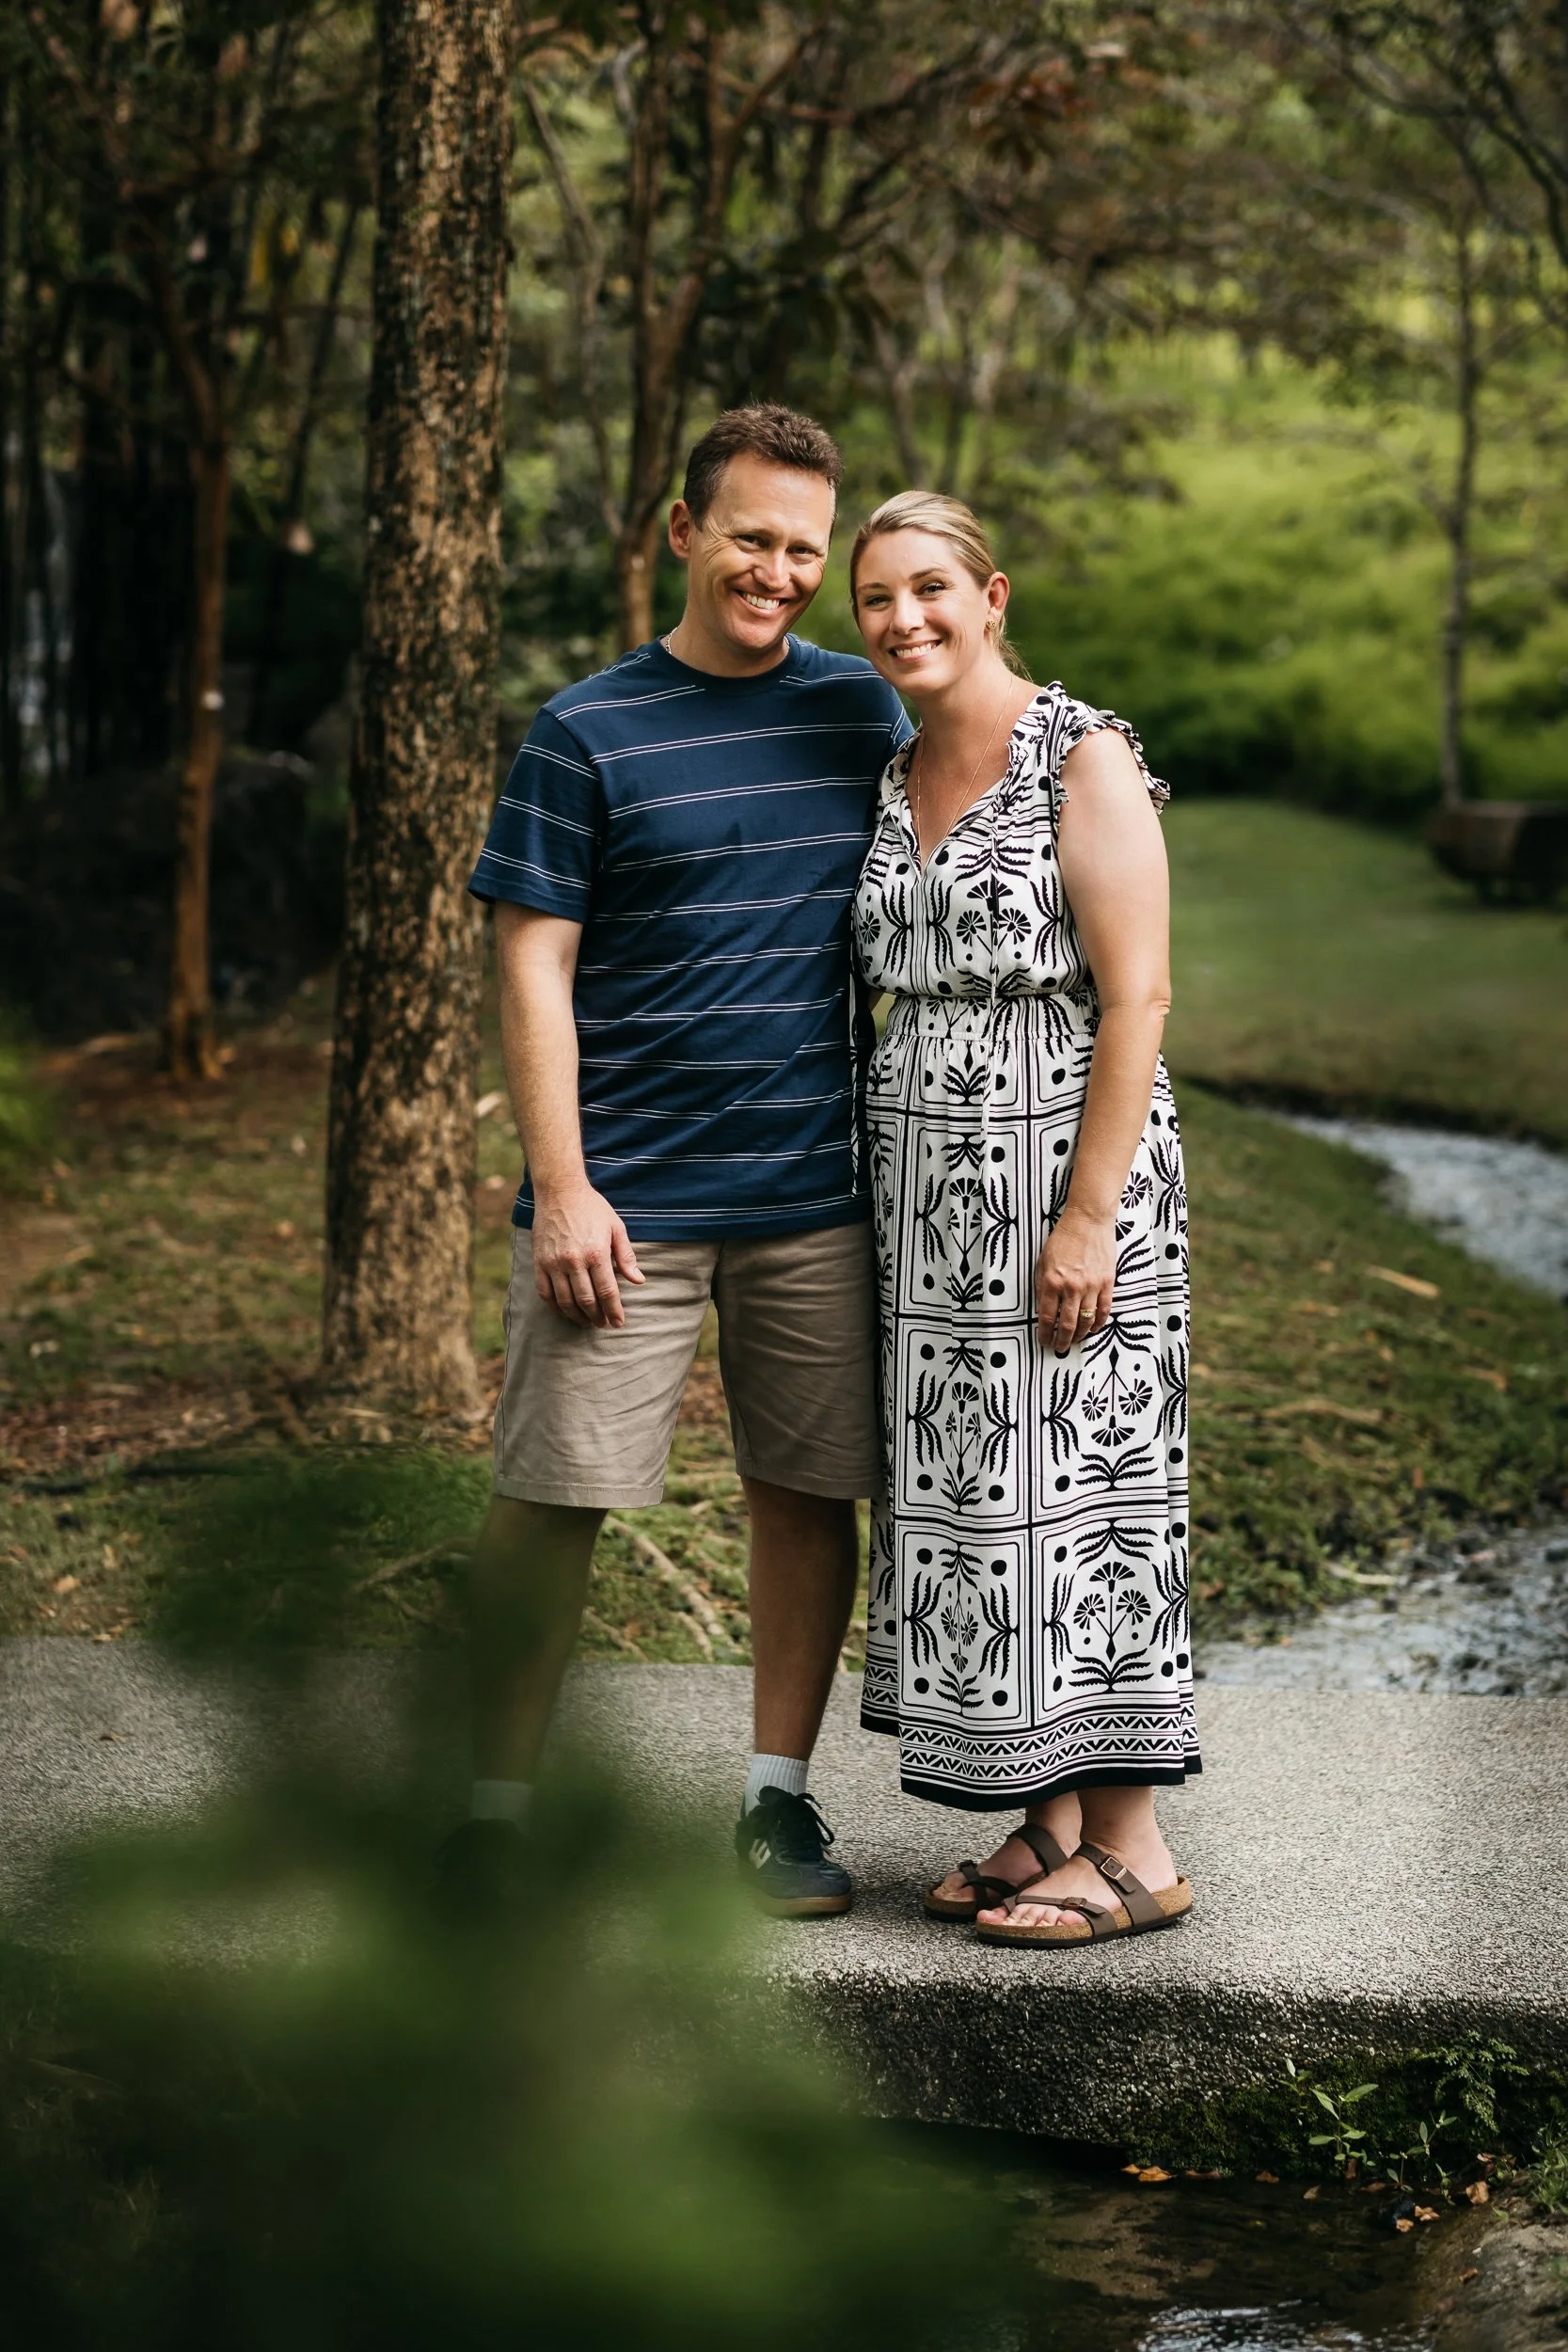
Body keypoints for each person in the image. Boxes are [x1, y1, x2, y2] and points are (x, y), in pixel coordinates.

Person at [442, 405, 910, 1917]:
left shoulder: (858, 716)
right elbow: (531, 967)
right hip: (620, 1201)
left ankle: (773, 1809)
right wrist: (562, 1184)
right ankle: (491, 1817)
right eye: (749, 537)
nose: (775, 571)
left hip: (815, 1194)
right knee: (549, 1500)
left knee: (806, 1491)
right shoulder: (583, 730)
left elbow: (996, 772)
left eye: (801, 549)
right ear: (680, 532)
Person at [847, 491, 1197, 1947]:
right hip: (931, 1201)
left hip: (1066, 1169)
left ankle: (1133, 1850)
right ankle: (1044, 1813)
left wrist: (1083, 1220)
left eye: (930, 588)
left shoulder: (1081, 754)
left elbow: (1140, 997)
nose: (901, 617)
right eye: (873, 598)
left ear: (993, 596)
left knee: (1090, 1495)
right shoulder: (892, 766)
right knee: (994, 1507)